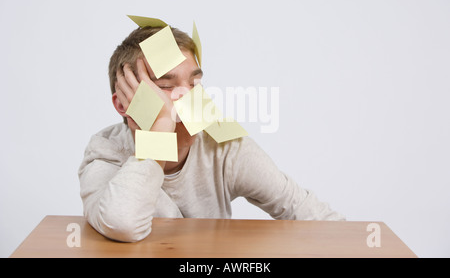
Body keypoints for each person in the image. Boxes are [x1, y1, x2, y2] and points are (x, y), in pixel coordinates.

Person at [78, 24, 345, 242]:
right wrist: (159, 128)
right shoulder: (105, 153)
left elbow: (306, 211)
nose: (189, 97)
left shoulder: (224, 147)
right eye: (166, 86)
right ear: (123, 104)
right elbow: (122, 222)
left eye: (195, 83)